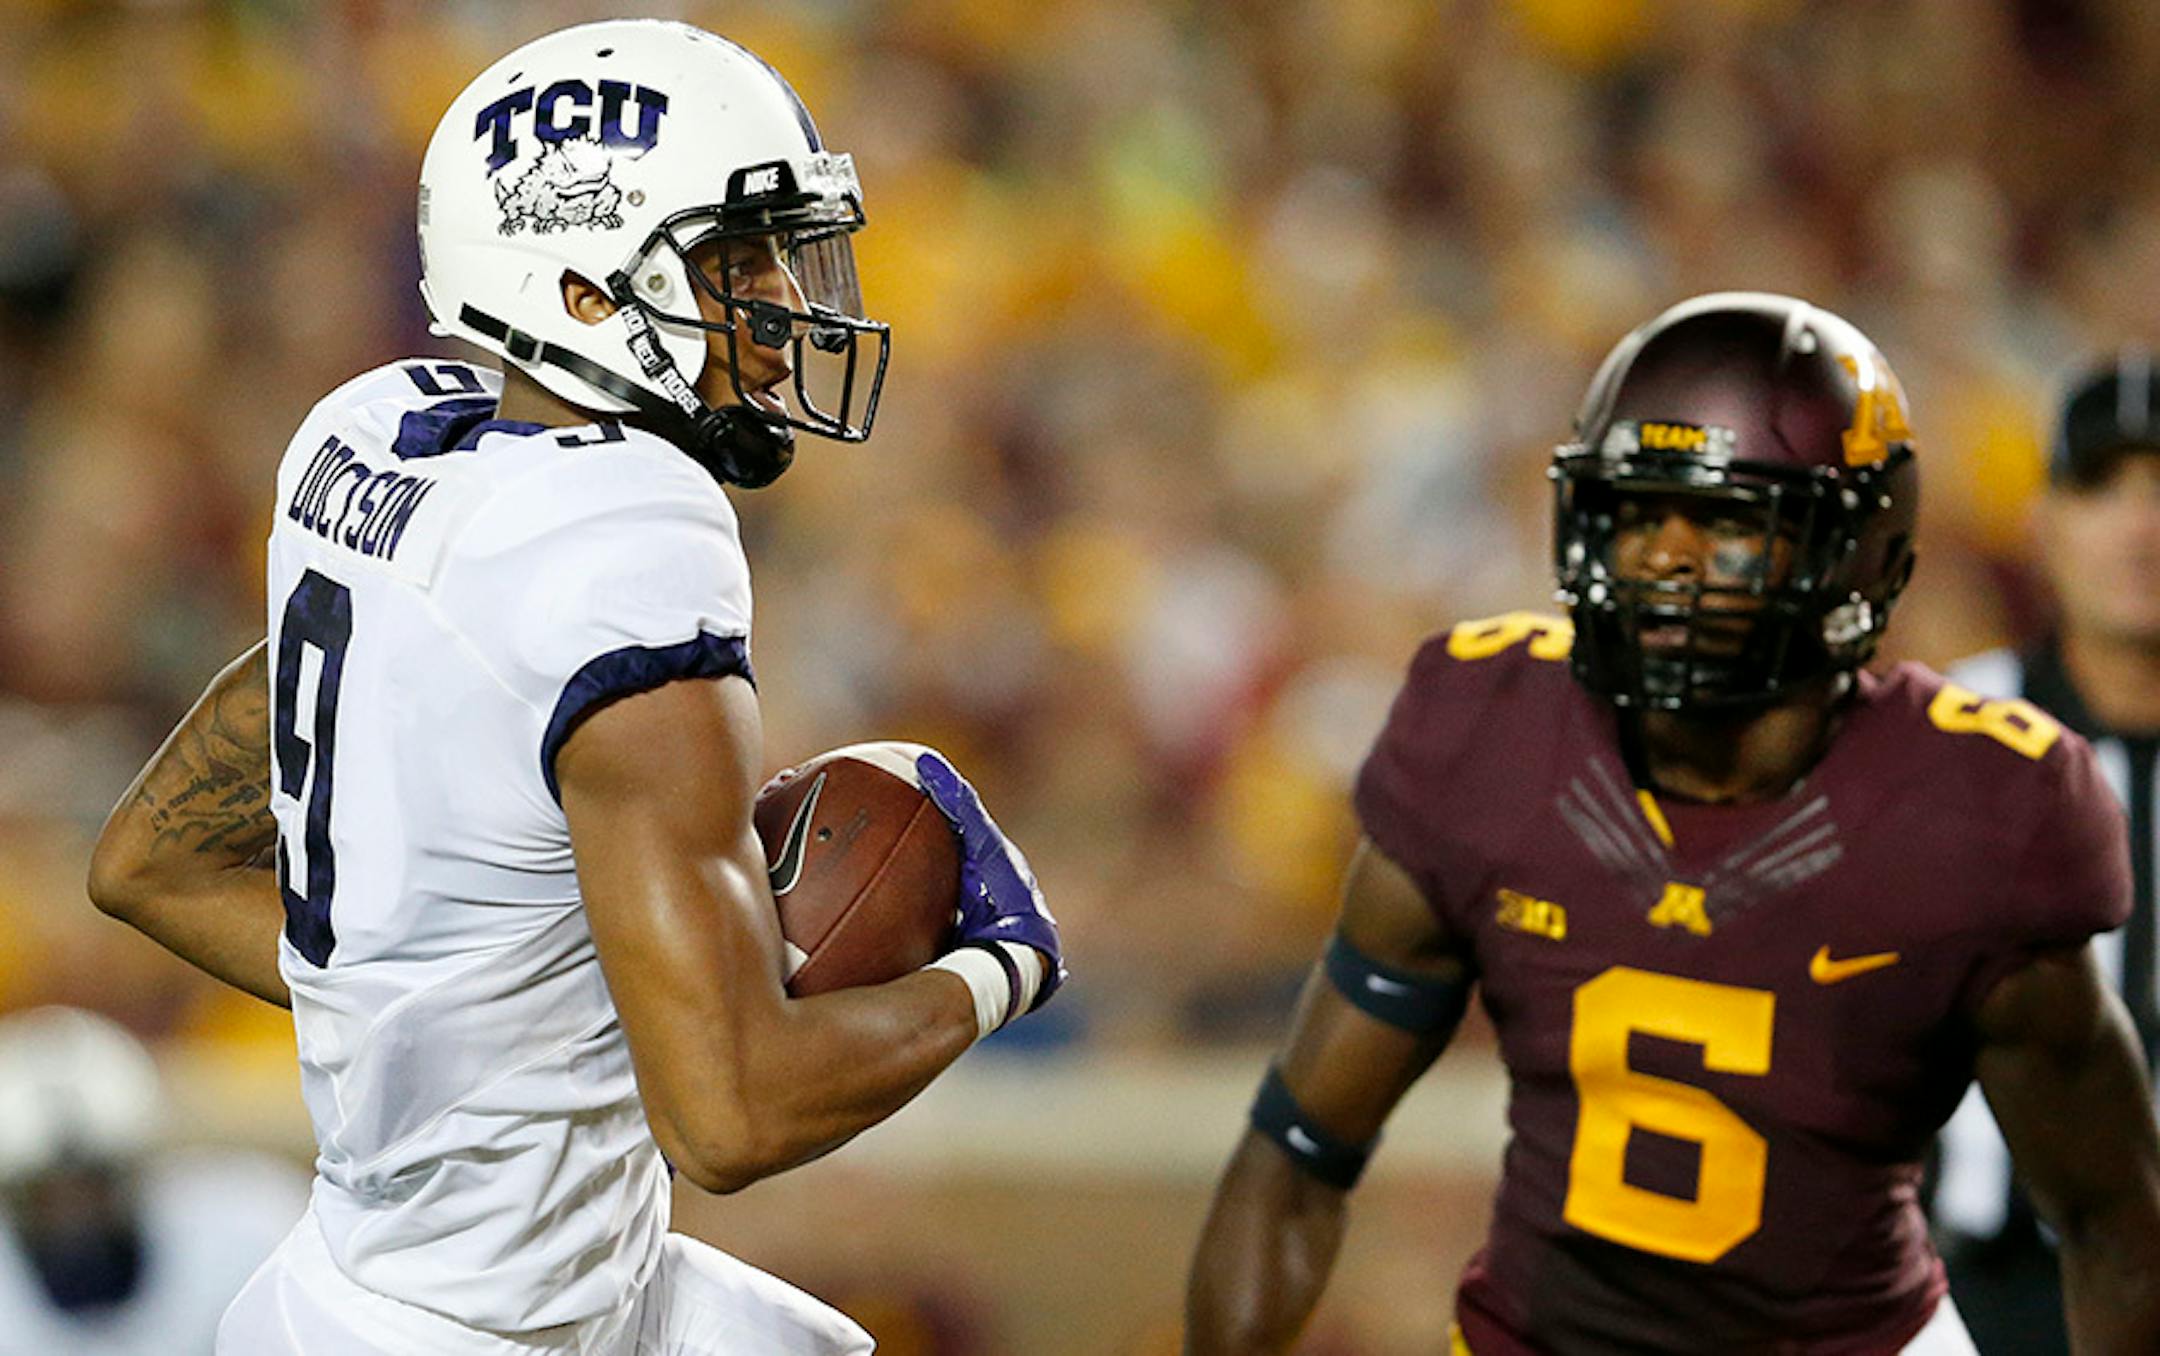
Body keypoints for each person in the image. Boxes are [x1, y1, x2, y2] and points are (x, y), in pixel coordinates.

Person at [85, 20, 1063, 1356]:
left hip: (426, 1292)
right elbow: (731, 1119)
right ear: (584, 292)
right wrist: (1001, 969)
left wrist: (468, 1025)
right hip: (478, 1333)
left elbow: (155, 858)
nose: (783, 311)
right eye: (735, 263)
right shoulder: (624, 537)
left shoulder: (378, 446)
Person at [1184, 293, 2160, 1355]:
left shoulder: (1973, 812)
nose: (1665, 558)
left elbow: (2112, 1222)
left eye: (1730, 521)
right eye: (1638, 511)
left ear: (1854, 551)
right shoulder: (1490, 735)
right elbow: (1296, 1151)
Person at [1931, 351, 2160, 1354]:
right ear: (2042, 523)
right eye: (2101, 485)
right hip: (1985, 1287)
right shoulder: (1945, 734)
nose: (2141, 526)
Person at [0, 1006, 307, 1356]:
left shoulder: (247, 1226)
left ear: (135, 1172)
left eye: (96, 1186)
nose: (75, 1215)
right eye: (46, 1196)